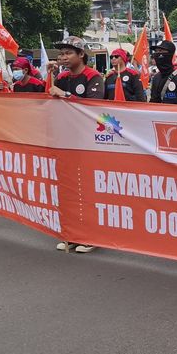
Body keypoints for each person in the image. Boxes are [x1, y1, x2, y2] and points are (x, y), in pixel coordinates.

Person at [49, 36, 102, 252]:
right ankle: (71, 232)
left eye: (68, 52)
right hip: (66, 141)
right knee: (68, 189)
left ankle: (90, 236)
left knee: (87, 190)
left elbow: (93, 107)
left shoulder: (93, 76)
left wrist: (65, 95)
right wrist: (50, 76)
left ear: (81, 54)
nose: (63, 57)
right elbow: (49, 101)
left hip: (87, 142)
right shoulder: (60, 77)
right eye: (61, 53)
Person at [150, 40, 177, 105]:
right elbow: (154, 102)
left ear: (170, 54)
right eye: (156, 51)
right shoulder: (156, 77)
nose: (157, 54)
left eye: (161, 51)